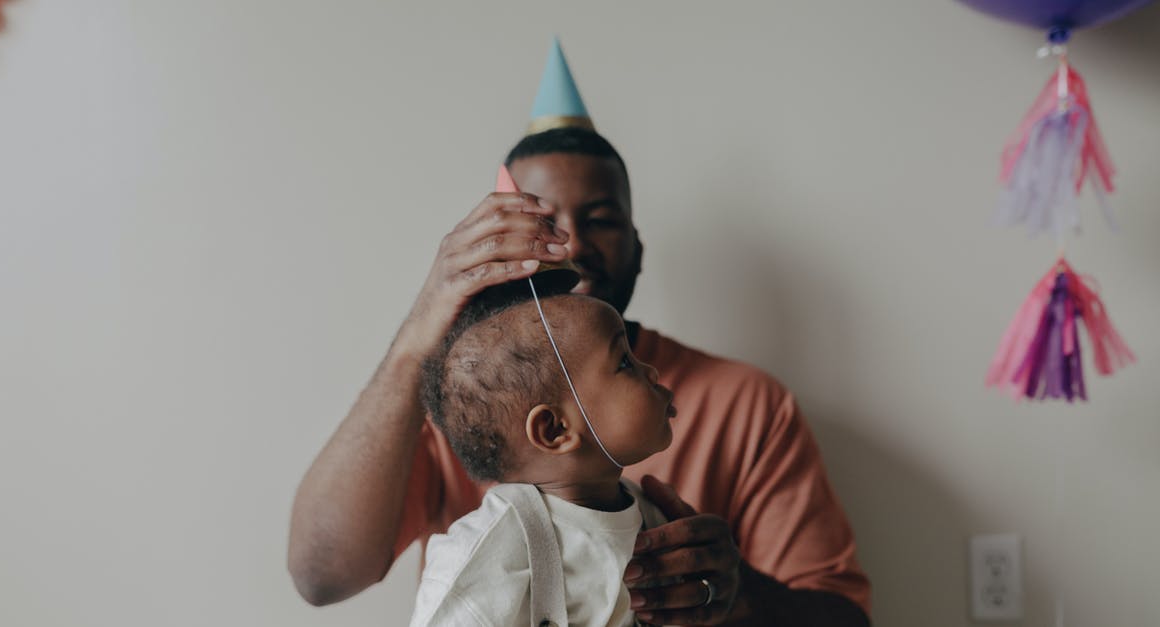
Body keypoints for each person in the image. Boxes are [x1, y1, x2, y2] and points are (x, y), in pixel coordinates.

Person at [288, 39, 871, 626]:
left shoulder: (749, 405)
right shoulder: (471, 400)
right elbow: (321, 576)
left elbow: (846, 619)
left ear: (638, 248)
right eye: (541, 222)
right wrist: (422, 329)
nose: (570, 246)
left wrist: (739, 588)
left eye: (600, 219)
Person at [411, 281, 677, 626]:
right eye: (624, 362)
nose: (652, 371)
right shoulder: (489, 549)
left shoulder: (653, 515)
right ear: (555, 431)